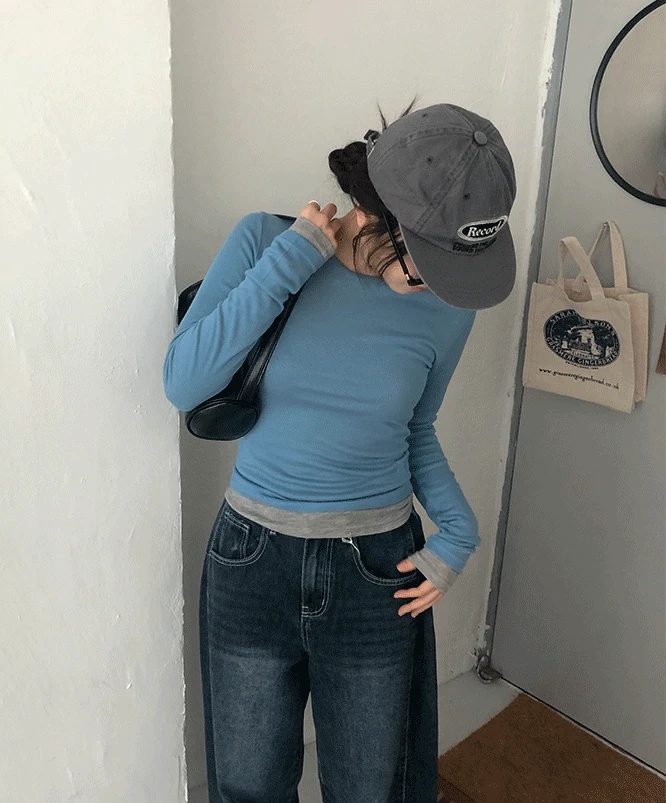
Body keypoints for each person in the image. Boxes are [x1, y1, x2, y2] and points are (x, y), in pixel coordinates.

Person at [163, 99, 517, 803]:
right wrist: (292, 260)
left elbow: (416, 428)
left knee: (370, 787)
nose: (441, 283)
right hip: (251, 560)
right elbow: (185, 381)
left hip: (377, 571)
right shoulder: (265, 242)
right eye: (430, 261)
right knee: (248, 785)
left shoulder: (447, 308)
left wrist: (459, 532)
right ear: (376, 213)